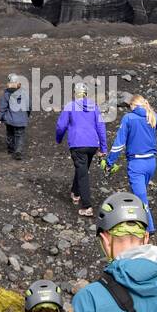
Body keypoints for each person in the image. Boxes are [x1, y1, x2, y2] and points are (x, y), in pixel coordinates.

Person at [105, 94, 157, 232]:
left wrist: (110, 161)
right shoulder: (152, 116)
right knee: (141, 193)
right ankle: (142, 223)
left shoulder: (129, 118)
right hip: (151, 162)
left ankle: (148, 228)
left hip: (137, 163)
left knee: (140, 197)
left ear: (133, 105)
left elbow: (119, 143)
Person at [55, 82, 108, 218]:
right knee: (82, 169)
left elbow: (61, 125)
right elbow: (101, 127)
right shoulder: (94, 107)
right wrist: (103, 147)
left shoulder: (70, 106)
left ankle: (87, 206)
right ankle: (75, 192)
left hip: (78, 144)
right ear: (86, 94)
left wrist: (59, 138)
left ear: (75, 93)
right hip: (92, 144)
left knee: (83, 173)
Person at [0, 73, 31, 160]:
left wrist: (0, 116)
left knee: (10, 133)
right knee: (19, 135)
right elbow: (29, 105)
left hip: (10, 118)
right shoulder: (24, 92)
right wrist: (27, 114)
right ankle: (18, 150)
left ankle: (11, 149)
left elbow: (3, 106)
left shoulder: (7, 93)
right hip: (21, 118)